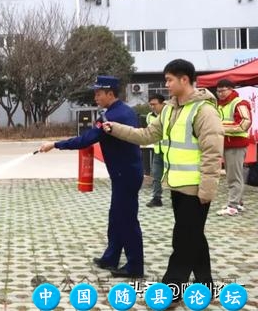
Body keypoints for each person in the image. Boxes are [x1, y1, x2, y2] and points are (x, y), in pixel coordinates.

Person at [102, 60, 223, 302]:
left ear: (184, 80)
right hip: (177, 185)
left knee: (183, 239)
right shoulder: (168, 110)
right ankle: (205, 286)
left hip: (196, 188)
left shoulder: (204, 111)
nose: (166, 84)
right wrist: (114, 128)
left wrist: (207, 190)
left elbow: (212, 152)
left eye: (169, 80)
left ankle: (170, 290)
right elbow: (146, 135)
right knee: (194, 236)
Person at [39, 75, 144, 278]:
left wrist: (55, 144)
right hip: (124, 173)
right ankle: (111, 257)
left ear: (110, 93)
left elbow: (86, 139)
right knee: (116, 217)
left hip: (126, 175)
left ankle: (135, 266)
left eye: (98, 93)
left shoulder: (115, 116)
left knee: (127, 220)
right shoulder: (119, 111)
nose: (95, 96)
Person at [215, 78, 252, 216]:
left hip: (236, 144)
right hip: (227, 143)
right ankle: (238, 202)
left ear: (231, 89)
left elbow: (244, 123)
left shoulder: (240, 103)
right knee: (234, 174)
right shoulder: (221, 105)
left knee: (234, 176)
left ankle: (233, 205)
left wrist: (219, 128)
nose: (220, 94)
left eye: (223, 90)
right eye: (218, 91)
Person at [146, 93, 166, 207]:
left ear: (162, 104)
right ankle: (156, 198)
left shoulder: (169, 115)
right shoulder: (150, 116)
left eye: (155, 104)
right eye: (150, 104)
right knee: (156, 175)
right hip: (158, 151)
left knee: (172, 176)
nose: (153, 107)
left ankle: (177, 198)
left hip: (171, 151)